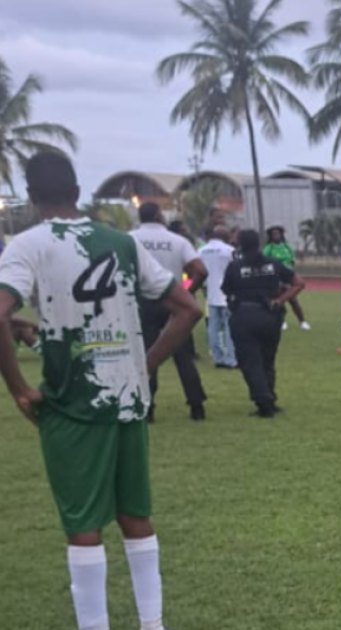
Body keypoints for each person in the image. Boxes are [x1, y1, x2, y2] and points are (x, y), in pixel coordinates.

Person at [0, 152, 201, 630]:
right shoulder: (121, 242)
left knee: (83, 525)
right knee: (136, 515)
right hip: (127, 402)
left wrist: (19, 389)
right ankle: (152, 624)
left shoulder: (25, 245)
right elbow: (188, 309)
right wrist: (141, 365)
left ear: (31, 199)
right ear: (76, 192)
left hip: (72, 405)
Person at [131, 203, 209, 422]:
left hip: (142, 302)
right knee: (183, 355)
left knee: (146, 353)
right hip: (173, 302)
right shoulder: (178, 241)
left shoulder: (129, 239)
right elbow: (201, 271)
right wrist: (187, 293)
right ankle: (196, 406)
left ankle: (147, 409)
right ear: (159, 216)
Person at [223, 230, 305, 418]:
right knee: (268, 360)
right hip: (270, 316)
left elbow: (226, 290)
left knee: (250, 361)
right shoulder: (273, 265)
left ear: (241, 245)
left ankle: (264, 401)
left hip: (244, 315)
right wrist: (280, 300)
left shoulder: (235, 266)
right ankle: (271, 398)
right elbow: (299, 283)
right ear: (259, 244)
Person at [197, 226, 237, 369]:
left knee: (213, 327)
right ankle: (231, 358)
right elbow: (236, 270)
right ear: (225, 236)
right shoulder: (229, 250)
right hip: (228, 293)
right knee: (229, 327)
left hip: (210, 293)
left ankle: (218, 358)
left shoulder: (201, 251)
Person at [263, 226, 311, 331]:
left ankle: (302, 322)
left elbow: (292, 260)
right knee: (279, 298)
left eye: (278, 234)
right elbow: (264, 261)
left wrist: (290, 270)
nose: (276, 236)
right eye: (274, 234)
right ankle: (282, 321)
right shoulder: (268, 248)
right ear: (271, 236)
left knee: (293, 300)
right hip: (275, 277)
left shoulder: (286, 246)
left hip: (288, 277)